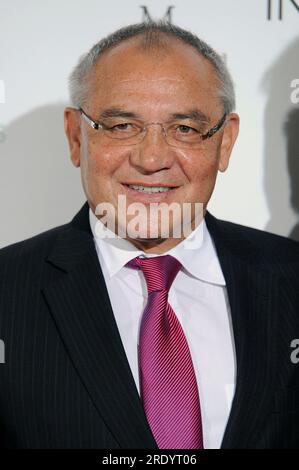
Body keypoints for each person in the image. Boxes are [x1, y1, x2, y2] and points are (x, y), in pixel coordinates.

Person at [0, 21, 298, 450]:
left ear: (226, 142)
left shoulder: (291, 278)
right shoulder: (6, 292)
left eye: (185, 129)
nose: (152, 158)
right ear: (75, 136)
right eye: (122, 126)